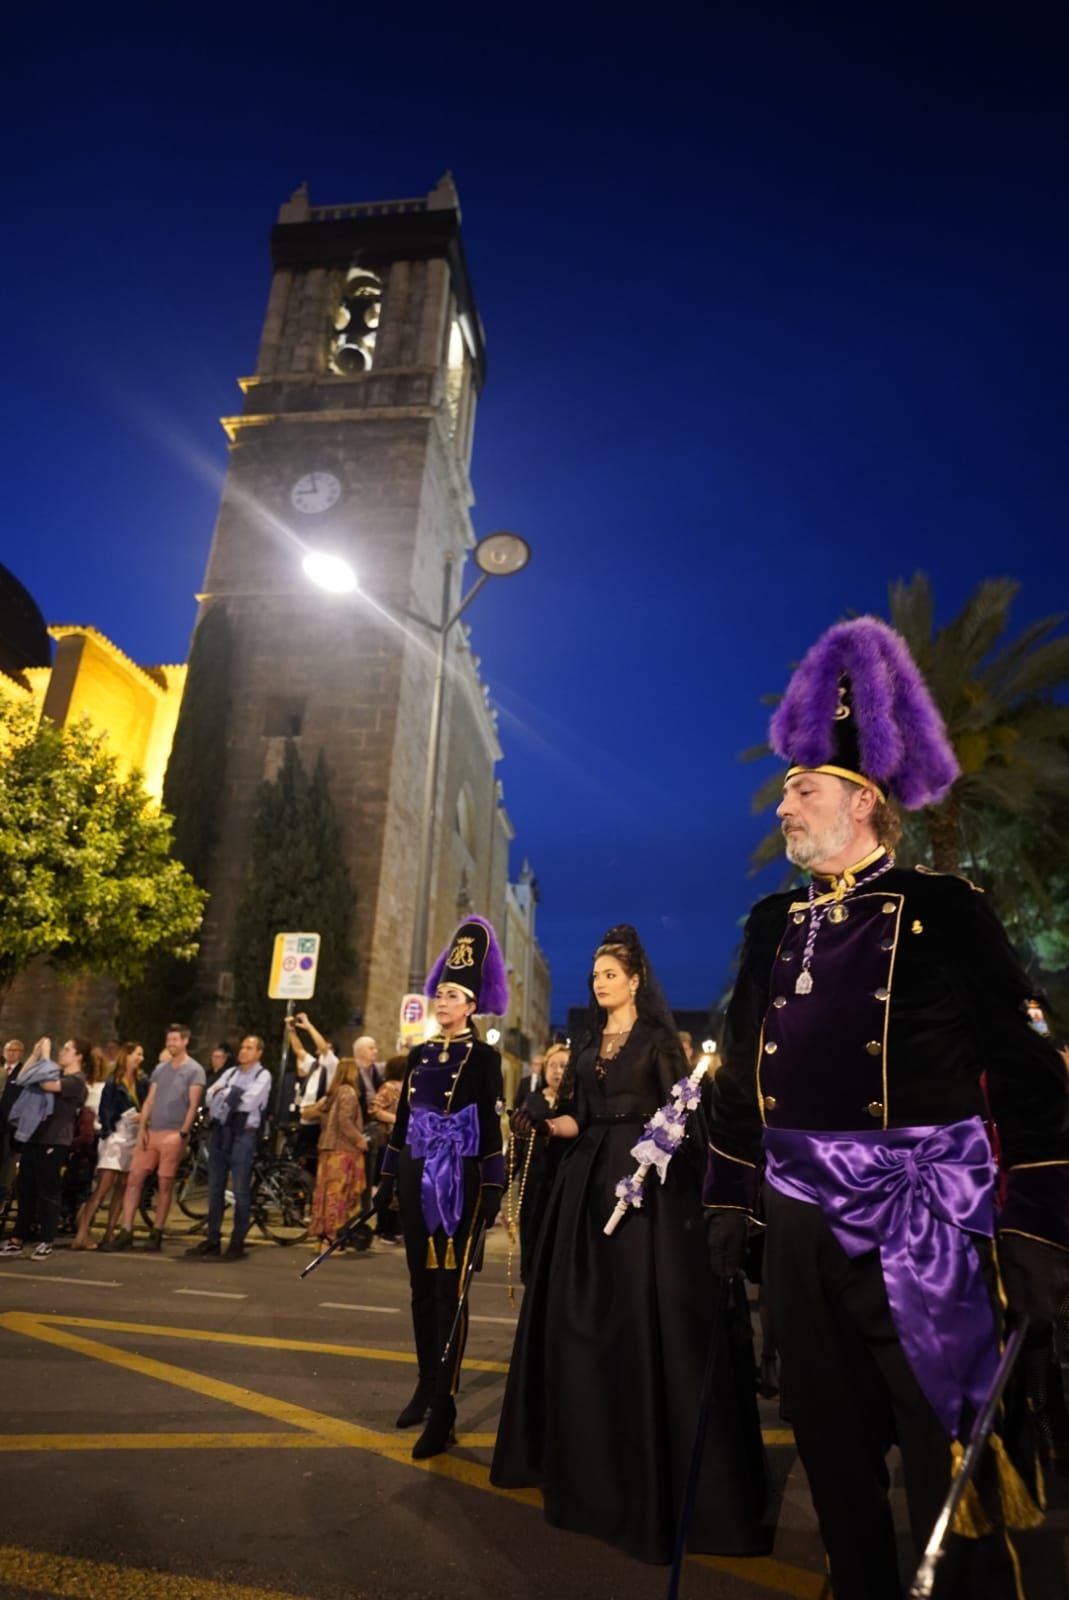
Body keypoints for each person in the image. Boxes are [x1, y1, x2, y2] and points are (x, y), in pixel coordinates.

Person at [704, 616, 1069, 1600]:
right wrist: (728, 1197)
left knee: (948, 1444)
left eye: (801, 786)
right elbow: (740, 1070)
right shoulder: (770, 922)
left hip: (922, 1225)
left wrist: (1036, 1221)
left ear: (862, 799)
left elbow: (1024, 1066)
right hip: (796, 1227)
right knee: (828, 1446)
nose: (782, 803)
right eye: (784, 785)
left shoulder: (944, 907)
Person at [491, 924, 770, 1565]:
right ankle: (577, 1453)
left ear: (636, 980)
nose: (600, 984)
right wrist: (545, 1121)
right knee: (574, 1317)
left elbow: (686, 1114)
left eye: (610, 975)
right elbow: (577, 1117)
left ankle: (653, 1458)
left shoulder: (658, 1044)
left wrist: (676, 1151)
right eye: (594, 976)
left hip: (648, 1188)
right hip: (586, 1184)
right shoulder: (586, 1044)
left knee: (646, 1316)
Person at [374, 916, 508, 1460]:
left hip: (458, 1182)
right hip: (414, 1173)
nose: (442, 1002)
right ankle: (426, 1385)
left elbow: (491, 1126)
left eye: (452, 995)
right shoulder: (420, 1057)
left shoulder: (485, 1059)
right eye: (440, 994)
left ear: (471, 1004)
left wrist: (493, 1191)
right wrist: (384, 1187)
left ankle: (446, 1409)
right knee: (419, 1288)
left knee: (450, 1294)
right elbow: (404, 1124)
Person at [107, 1024, 205, 1252]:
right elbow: (150, 1100)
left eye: (175, 1040)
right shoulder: (161, 1069)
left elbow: (193, 1104)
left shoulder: (194, 1070)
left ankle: (158, 1231)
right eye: (168, 1040)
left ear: (185, 1041)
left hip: (173, 1133)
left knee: (165, 1183)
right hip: (153, 1132)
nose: (171, 1044)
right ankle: (127, 1230)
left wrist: (183, 1133)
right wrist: (142, 1129)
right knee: (134, 1179)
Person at [0, 1037, 89, 1260]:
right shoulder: (54, 1071)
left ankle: (46, 1240)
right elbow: (22, 1077)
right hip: (34, 1136)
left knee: (48, 1191)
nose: (62, 1052)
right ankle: (17, 1239)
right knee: (25, 1188)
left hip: (54, 1140)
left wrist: (46, 1057)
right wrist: (34, 1055)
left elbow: (44, 1083)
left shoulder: (76, 1081)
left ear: (79, 1056)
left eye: (67, 1049)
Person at [186, 1035, 271, 1260]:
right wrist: (229, 1095)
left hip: (243, 1136)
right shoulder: (230, 1072)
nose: (243, 1051)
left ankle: (237, 1242)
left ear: (259, 1053)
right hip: (221, 1133)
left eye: (249, 1048)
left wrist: (225, 1095)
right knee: (215, 1190)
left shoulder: (263, 1076)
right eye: (242, 1047)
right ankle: (212, 1239)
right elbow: (209, 1098)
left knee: (241, 1191)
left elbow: (249, 1103)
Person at [72, 1042, 149, 1250]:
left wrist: (144, 1117)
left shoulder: (142, 1081)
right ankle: (81, 1233)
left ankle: (109, 1233)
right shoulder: (114, 1082)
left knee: (122, 1187)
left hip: (133, 1136)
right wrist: (108, 1131)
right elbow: (105, 1109)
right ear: (127, 1055)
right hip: (116, 1135)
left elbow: (149, 1103)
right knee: (104, 1185)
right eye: (137, 1054)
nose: (140, 1058)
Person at [510, 1040, 570, 1283]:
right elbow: (518, 1144)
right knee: (533, 1244)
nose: (556, 1071)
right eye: (552, 1065)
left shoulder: (576, 1104)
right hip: (534, 1184)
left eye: (563, 1066)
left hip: (564, 1185)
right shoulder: (533, 1100)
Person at [303, 1057, 368, 1251]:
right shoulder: (348, 1093)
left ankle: (321, 1240)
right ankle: (330, 1240)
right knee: (337, 1196)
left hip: (327, 1150)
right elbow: (344, 1121)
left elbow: (312, 1113)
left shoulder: (332, 1094)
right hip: (342, 1151)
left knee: (324, 1195)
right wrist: (359, 1140)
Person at [368, 1056, 406, 1243]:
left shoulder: (406, 1088)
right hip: (389, 1142)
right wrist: (395, 1119)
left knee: (400, 1186)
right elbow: (374, 1109)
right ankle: (385, 1228)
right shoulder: (389, 1088)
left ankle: (396, 1226)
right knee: (388, 1185)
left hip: (403, 1142)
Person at [0, 1039, 26, 1210]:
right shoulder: (1, 1071)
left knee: (7, 1165)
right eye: (8, 1050)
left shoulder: (24, 1072)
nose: (11, 1053)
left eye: (15, 1050)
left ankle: (3, 1198)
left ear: (21, 1053)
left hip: (11, 1126)